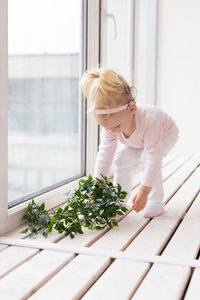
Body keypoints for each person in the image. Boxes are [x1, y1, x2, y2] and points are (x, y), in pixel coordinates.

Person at [81, 68, 179, 218]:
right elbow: (105, 153)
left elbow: (154, 158)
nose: (112, 131)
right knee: (121, 159)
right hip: (137, 141)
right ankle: (120, 199)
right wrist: (97, 183)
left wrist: (144, 190)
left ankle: (155, 203)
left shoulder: (149, 120)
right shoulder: (111, 126)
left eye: (116, 127)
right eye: (106, 127)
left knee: (147, 158)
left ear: (132, 109)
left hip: (165, 134)